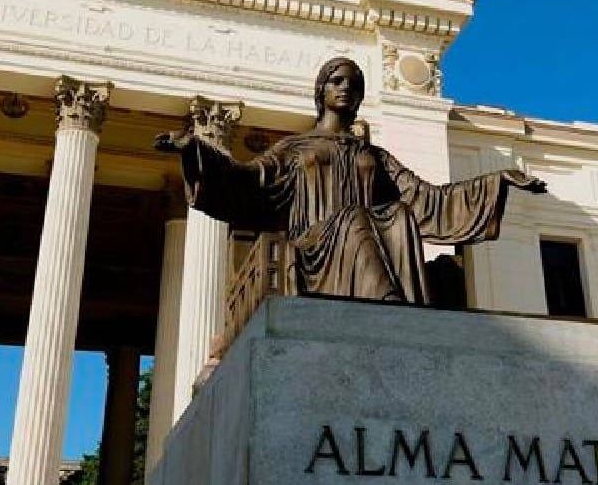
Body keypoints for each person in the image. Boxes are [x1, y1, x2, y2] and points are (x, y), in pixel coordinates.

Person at [154, 57, 546, 305]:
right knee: (356, 218)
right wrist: (195, 150)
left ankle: (394, 304)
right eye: (336, 80)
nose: (344, 88)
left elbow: (427, 199)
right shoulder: (295, 147)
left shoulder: (372, 155)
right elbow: (250, 179)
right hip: (312, 246)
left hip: (362, 237)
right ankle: (388, 304)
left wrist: (496, 181)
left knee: (395, 214)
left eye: (352, 83)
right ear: (321, 90)